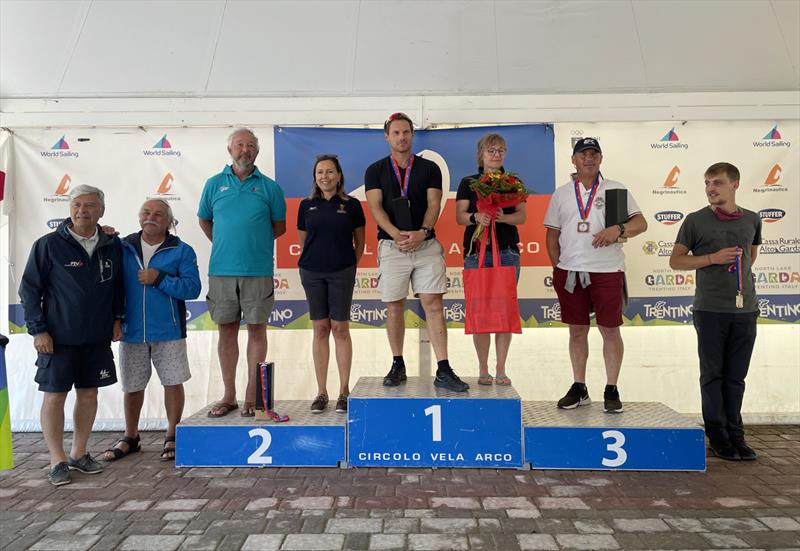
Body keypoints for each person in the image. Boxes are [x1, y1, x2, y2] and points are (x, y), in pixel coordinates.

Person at [19, 185, 123, 486]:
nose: (82, 210)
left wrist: (118, 319)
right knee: (55, 397)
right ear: (69, 208)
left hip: (97, 337)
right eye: (76, 204)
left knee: (89, 394)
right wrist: (38, 330)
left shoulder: (112, 245)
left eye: (90, 205)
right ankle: (57, 459)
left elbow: (118, 288)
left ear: (101, 210)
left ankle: (79, 454)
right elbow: (29, 290)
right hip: (57, 338)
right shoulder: (48, 245)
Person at [365, 112, 468, 392]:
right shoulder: (375, 170)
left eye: (406, 132)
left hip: (425, 245)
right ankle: (397, 364)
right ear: (387, 137)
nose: (401, 137)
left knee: (434, 304)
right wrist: (396, 233)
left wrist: (423, 231)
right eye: (396, 133)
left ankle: (444, 368)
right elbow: (375, 207)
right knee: (394, 305)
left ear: (412, 135)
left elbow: (434, 204)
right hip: (392, 245)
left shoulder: (429, 168)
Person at [543, 138, 647, 413]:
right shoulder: (562, 193)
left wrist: (619, 230)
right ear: (573, 160)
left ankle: (611, 388)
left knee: (610, 330)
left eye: (594, 154)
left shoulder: (614, 189)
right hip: (570, 272)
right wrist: (558, 267)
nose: (589, 158)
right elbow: (552, 235)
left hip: (607, 270)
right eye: (583, 154)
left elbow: (640, 223)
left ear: (601, 158)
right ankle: (579, 387)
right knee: (577, 330)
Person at [669, 162, 761, 461]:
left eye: (718, 182)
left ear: (735, 184)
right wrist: (712, 258)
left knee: (736, 377)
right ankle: (717, 436)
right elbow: (677, 261)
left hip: (745, 309)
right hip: (709, 309)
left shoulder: (752, 219)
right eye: (708, 182)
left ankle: (737, 434)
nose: (711, 188)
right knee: (712, 376)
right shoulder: (695, 221)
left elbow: (750, 256)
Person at [103, 199, 201, 462]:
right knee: (132, 387)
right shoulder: (121, 247)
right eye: (146, 212)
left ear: (168, 221)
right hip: (130, 331)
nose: (151, 217)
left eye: (158, 214)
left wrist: (159, 278)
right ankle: (131, 436)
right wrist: (105, 234)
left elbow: (192, 289)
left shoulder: (182, 250)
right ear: (139, 217)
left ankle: (172, 434)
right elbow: (109, 284)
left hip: (169, 331)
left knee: (172, 382)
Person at [198, 128, 286, 417]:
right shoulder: (213, 184)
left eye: (250, 145)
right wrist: (228, 244)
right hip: (221, 271)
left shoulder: (270, 188)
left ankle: (252, 394)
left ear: (257, 151)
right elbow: (205, 221)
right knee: (227, 331)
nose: (245, 150)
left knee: (257, 330)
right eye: (239, 145)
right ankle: (229, 395)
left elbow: (279, 227)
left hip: (258, 271)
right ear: (230, 150)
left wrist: (252, 246)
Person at [455, 133, 526, 386]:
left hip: (507, 251)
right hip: (476, 252)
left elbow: (521, 217)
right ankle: (483, 368)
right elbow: (460, 216)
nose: (496, 155)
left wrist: (499, 216)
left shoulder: (512, 181)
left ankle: (501, 367)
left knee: (504, 311)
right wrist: (477, 217)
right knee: (480, 312)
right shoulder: (468, 182)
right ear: (481, 154)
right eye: (491, 150)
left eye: (500, 150)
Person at [297, 155, 366, 413]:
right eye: (319, 172)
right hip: (311, 272)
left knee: (340, 329)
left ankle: (344, 391)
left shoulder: (352, 205)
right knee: (320, 329)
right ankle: (322, 392)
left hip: (342, 272)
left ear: (339, 175)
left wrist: (347, 265)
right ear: (315, 177)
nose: (324, 176)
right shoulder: (306, 206)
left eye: (329, 171)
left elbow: (360, 243)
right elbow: (304, 242)